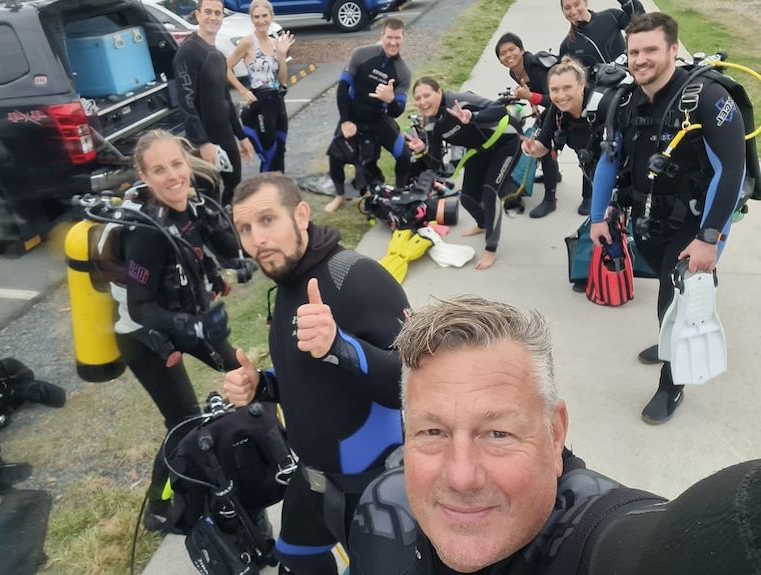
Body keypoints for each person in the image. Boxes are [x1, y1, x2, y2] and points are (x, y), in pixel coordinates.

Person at [347, 295, 761, 574]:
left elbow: (684, 541)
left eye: (498, 433)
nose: (460, 477)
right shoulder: (379, 511)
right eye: (432, 431)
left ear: (555, 431)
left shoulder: (590, 536)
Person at [224, 172, 410, 574]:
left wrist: (340, 347)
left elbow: (415, 383)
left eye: (268, 220)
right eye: (245, 228)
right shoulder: (288, 284)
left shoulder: (358, 278)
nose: (257, 239)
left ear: (302, 215)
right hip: (312, 480)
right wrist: (262, 385)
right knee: (294, 559)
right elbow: (307, 378)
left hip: (371, 486)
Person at [589, 12, 745, 424]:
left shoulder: (708, 99)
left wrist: (710, 237)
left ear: (674, 49)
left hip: (696, 226)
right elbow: (609, 159)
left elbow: (733, 170)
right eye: (633, 51)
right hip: (650, 220)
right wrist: (597, 216)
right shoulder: (624, 100)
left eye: (651, 50)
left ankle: (671, 385)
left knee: (674, 301)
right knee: (664, 295)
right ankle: (667, 340)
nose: (640, 59)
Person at [113, 129, 250, 532]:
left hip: (189, 319)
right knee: (184, 421)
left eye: (176, 164)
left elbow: (225, 246)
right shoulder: (145, 233)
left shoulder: (195, 208)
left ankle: (266, 458)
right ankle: (159, 503)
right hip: (144, 338)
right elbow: (140, 307)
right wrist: (191, 324)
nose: (173, 176)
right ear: (143, 174)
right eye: (159, 170)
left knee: (245, 375)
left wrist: (242, 259)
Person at [407, 77, 523, 270]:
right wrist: (421, 151)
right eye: (418, 98)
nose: (422, 102)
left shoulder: (458, 101)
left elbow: (499, 109)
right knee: (467, 197)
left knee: (490, 193)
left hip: (507, 139)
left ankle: (491, 249)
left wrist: (473, 116)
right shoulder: (431, 126)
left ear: (439, 93)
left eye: (427, 95)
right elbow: (435, 165)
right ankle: (483, 223)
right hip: (481, 149)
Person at [324, 18, 412, 213]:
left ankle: (399, 194)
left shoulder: (402, 72)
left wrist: (390, 100)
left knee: (404, 156)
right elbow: (343, 88)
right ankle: (340, 196)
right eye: (389, 37)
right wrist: (346, 120)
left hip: (377, 120)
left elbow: (397, 111)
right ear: (382, 37)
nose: (393, 42)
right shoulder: (361, 54)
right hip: (353, 116)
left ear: (403, 39)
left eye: (397, 38)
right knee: (335, 156)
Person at [172, 0, 254, 206]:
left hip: (224, 134)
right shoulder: (188, 53)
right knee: (209, 196)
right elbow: (186, 103)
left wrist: (241, 136)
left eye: (217, 13)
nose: (213, 17)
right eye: (208, 12)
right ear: (198, 15)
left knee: (235, 187)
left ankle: (229, 231)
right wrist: (202, 143)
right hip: (204, 140)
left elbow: (226, 99)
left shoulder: (218, 56)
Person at [495, 32, 565, 218]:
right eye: (503, 53)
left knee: (543, 145)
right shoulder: (514, 71)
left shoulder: (536, 67)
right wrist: (533, 106)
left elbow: (556, 99)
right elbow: (530, 89)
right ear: (500, 61)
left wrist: (531, 98)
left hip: (566, 106)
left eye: (512, 49)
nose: (509, 55)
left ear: (522, 50)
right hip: (551, 108)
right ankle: (555, 176)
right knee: (538, 136)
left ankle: (550, 200)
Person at [521, 55, 599, 220]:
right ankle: (551, 198)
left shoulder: (602, 106)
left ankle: (589, 196)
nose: (561, 96)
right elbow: (542, 143)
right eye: (554, 90)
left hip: (609, 162)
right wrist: (532, 149)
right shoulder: (557, 111)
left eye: (567, 88)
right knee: (585, 158)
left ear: (582, 85)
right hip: (587, 156)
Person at [226, 0, 295, 173]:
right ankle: (266, 194)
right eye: (256, 17)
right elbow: (225, 68)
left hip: (277, 103)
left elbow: (282, 81)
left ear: (272, 17)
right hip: (260, 103)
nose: (261, 20)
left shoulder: (274, 43)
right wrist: (243, 90)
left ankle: (281, 193)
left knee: (281, 151)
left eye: (264, 16)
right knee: (269, 153)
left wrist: (281, 55)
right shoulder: (248, 42)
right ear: (251, 19)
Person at [559, 0, 645, 71]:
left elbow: (642, 24)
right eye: (567, 8)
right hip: (603, 90)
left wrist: (627, 2)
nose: (573, 11)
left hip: (631, 80)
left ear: (585, 2)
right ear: (563, 11)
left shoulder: (610, 16)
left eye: (577, 4)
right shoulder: (567, 46)